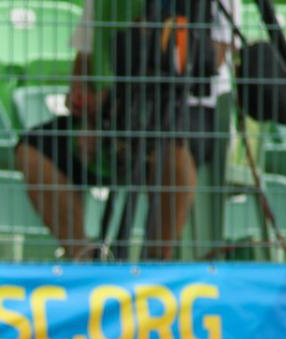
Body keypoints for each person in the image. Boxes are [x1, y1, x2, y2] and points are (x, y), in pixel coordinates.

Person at [16, 0, 239, 260]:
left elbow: (214, 56)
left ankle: (155, 262)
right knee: (33, 150)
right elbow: (84, 60)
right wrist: (87, 109)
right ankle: (84, 258)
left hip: (191, 108)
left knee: (170, 147)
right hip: (116, 109)